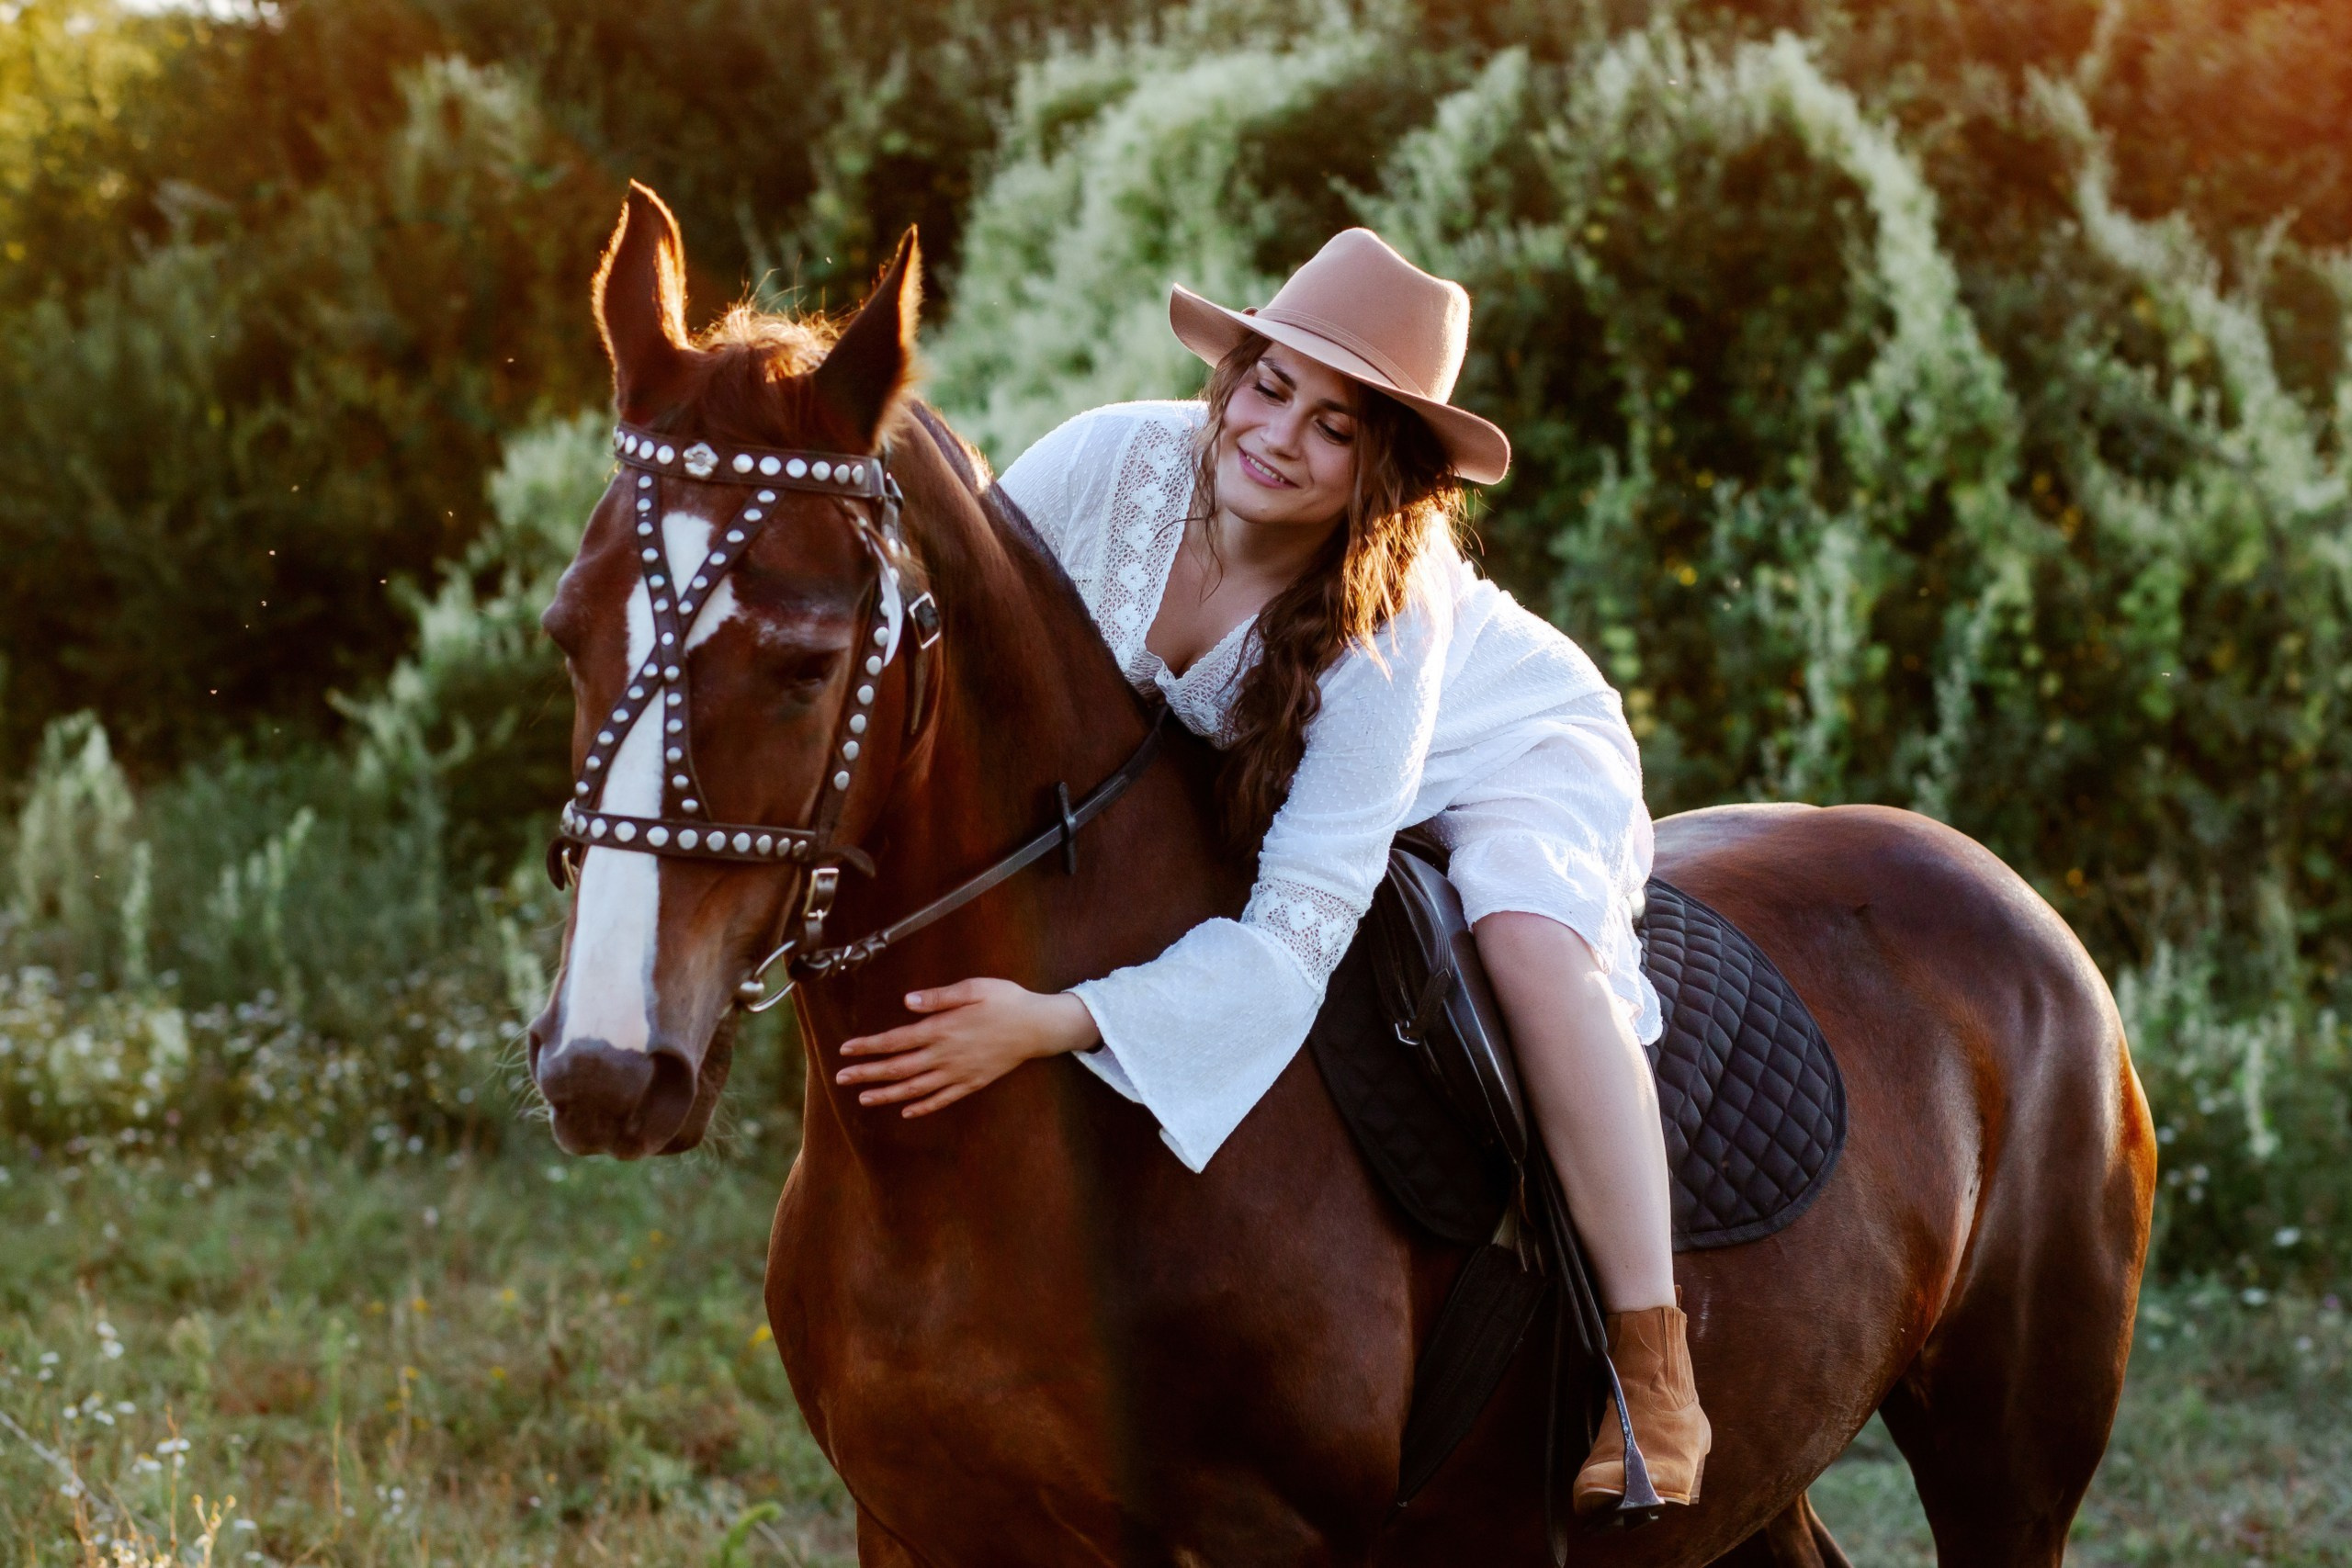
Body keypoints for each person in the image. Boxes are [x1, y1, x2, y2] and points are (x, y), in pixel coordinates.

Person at [831, 229, 1710, 1518]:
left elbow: (1302, 927)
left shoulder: (1390, 615)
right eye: (1270, 385)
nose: (1280, 436)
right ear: (1229, 376)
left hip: (1495, 745)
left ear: (1387, 468)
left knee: (1527, 948)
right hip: (1247, 770)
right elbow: (976, 672)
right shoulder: (1100, 463)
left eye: (1338, 427)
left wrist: (1052, 1020)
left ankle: (1653, 1362)